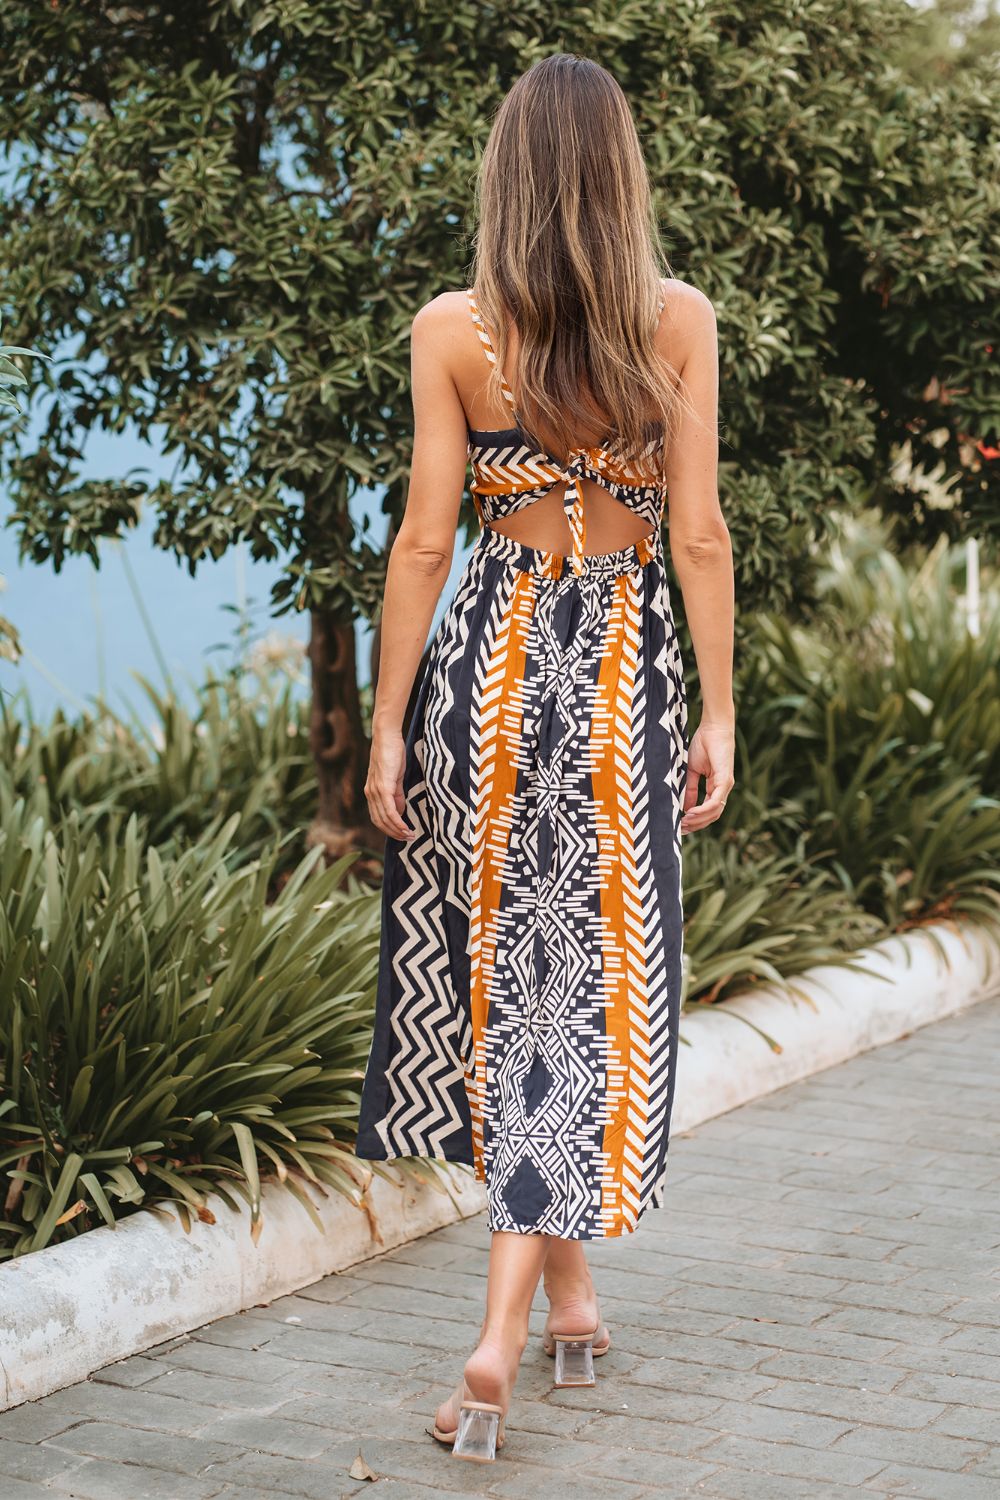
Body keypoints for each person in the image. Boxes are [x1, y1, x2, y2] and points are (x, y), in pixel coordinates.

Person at [357, 52, 734, 1463]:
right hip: (621, 680)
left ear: (506, 175)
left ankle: (571, 1307)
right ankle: (500, 1340)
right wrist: (718, 712)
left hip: (490, 676)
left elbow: (424, 542)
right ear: (620, 174)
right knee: (571, 1002)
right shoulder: (676, 322)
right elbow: (698, 535)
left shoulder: (453, 330)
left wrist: (391, 721)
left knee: (520, 983)